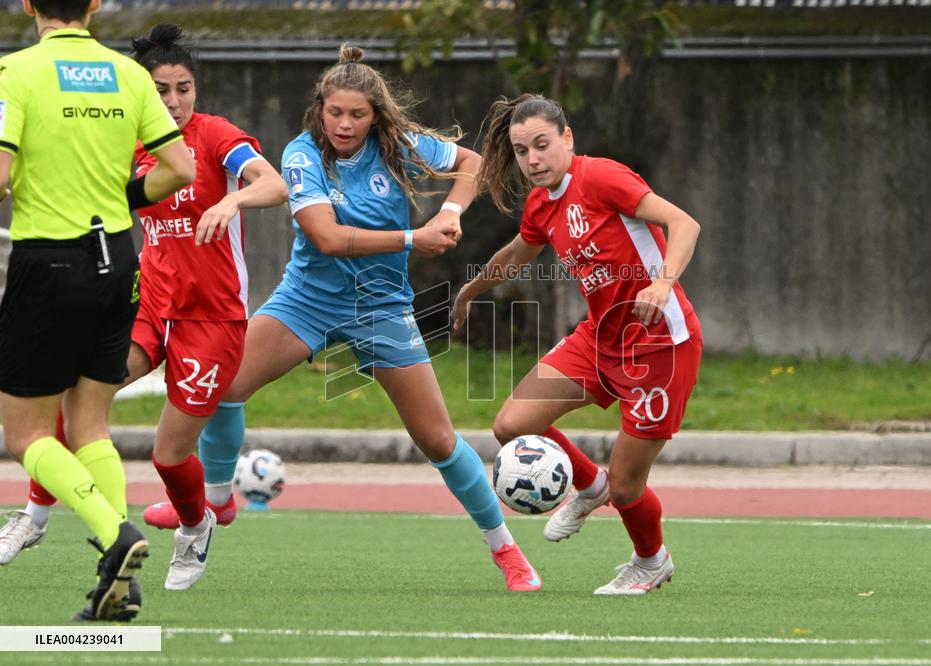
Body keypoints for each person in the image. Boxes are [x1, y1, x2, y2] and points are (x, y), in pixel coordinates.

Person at [187, 45, 542, 592]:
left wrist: (449, 211)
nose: (345, 124)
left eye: (357, 114)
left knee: (439, 440)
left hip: (381, 307)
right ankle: (214, 505)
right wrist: (414, 237)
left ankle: (508, 553)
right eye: (335, 113)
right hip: (305, 300)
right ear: (319, 109)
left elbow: (471, 164)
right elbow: (327, 239)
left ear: (375, 114)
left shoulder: (398, 147)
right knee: (221, 389)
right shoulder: (302, 155)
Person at [0, 23, 288, 594]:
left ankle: (194, 524)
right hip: (147, 304)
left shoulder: (215, 137)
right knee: (75, 402)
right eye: (162, 90)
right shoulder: (133, 142)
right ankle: (33, 516)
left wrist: (232, 198)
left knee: (167, 454)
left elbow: (274, 185)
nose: (175, 101)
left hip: (212, 319)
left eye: (184, 88)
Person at [454, 93, 703, 595]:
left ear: (568, 139)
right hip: (599, 336)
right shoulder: (542, 202)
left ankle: (651, 561)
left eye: (542, 145)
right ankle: (590, 486)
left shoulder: (603, 177)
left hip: (658, 347)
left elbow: (684, 224)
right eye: (522, 151)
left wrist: (661, 282)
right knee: (513, 424)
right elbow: (518, 254)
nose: (533, 160)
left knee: (630, 484)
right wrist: (471, 290)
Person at [0, 0, 195, 620]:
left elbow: (1, 176)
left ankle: (116, 538)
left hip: (48, 263)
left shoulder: (17, 72)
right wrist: (122, 194)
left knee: (28, 432)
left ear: (29, 5)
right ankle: (121, 583)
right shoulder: (130, 74)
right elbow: (180, 169)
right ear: (95, 5)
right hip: (119, 262)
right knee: (89, 426)